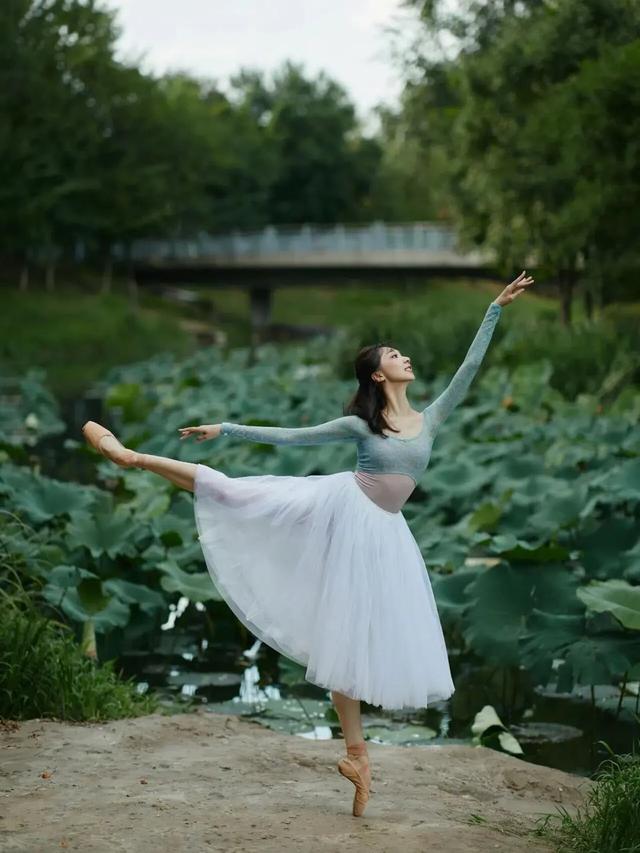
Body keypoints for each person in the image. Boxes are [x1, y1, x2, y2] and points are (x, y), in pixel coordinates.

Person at [82, 271, 534, 816]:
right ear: (376, 372)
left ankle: (358, 761)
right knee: (236, 494)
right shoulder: (361, 426)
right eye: (396, 355)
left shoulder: (430, 418)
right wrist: (225, 428)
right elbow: (291, 437)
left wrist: (494, 308)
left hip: (385, 534)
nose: (406, 359)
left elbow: (469, 369)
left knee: (348, 642)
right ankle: (132, 458)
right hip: (343, 511)